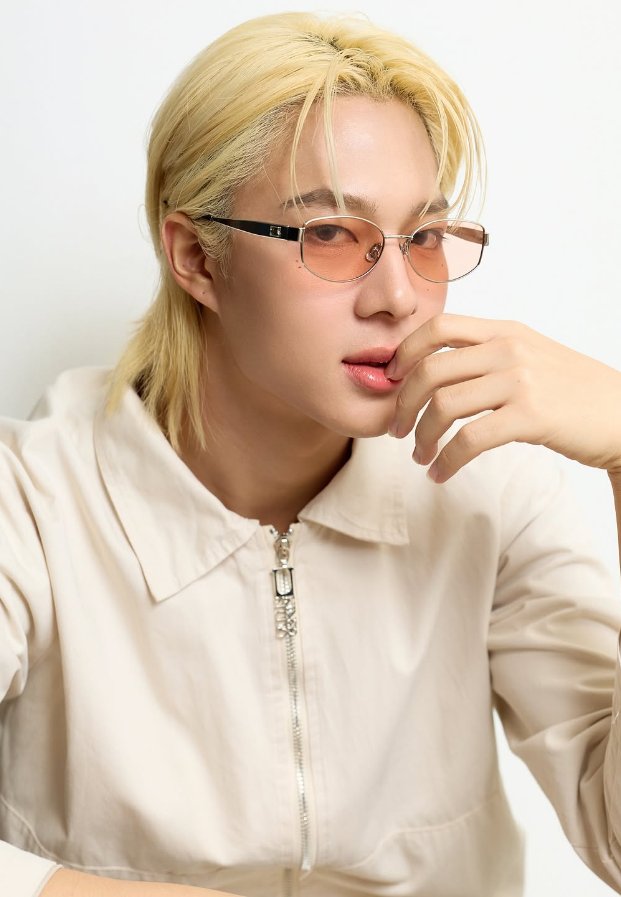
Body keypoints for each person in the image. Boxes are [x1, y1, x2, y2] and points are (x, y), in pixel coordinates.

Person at [2, 10, 621, 897]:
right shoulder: (31, 499)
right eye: (330, 233)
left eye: (424, 236)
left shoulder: (488, 481)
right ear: (197, 257)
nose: (398, 295)